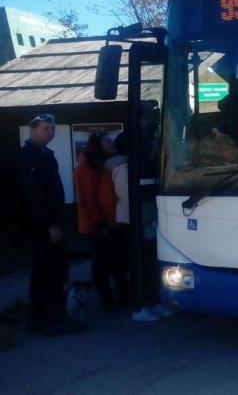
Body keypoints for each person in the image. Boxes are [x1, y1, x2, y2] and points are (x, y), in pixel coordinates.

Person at [13, 114, 86, 336]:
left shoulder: (44, 154)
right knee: (50, 272)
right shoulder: (29, 157)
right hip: (41, 226)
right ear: (32, 130)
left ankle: (40, 319)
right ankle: (51, 319)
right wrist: (50, 225)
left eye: (52, 128)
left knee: (48, 271)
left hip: (49, 222)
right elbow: (33, 196)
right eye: (46, 128)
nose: (51, 132)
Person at [103, 132, 172, 322]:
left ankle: (152, 300)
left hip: (144, 220)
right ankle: (140, 304)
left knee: (148, 262)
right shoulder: (123, 168)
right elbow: (129, 197)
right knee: (139, 264)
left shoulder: (137, 166)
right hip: (133, 221)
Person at [73, 133, 121, 310]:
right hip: (95, 222)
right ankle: (105, 297)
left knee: (107, 258)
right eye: (107, 141)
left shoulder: (101, 163)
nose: (111, 143)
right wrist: (100, 223)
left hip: (104, 220)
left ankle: (109, 294)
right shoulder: (88, 167)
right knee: (102, 260)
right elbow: (88, 198)